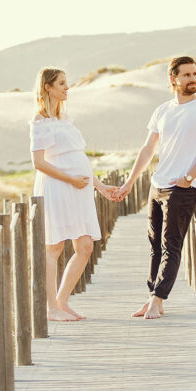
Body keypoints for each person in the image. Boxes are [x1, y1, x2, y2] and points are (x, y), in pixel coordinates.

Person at [113, 56, 196, 319]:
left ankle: (158, 298)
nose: (192, 78)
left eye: (195, 74)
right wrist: (130, 182)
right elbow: (148, 149)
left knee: (171, 245)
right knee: (154, 245)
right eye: (186, 75)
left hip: (183, 188)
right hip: (158, 185)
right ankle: (153, 298)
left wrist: (189, 177)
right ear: (173, 79)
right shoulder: (162, 110)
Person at [30, 67, 117, 322]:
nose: (67, 88)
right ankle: (51, 309)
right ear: (48, 87)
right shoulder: (40, 120)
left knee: (85, 245)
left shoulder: (64, 119)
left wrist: (99, 186)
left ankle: (62, 301)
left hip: (79, 188)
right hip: (58, 187)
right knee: (54, 247)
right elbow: (39, 163)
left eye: (67, 83)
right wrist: (70, 180)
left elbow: (78, 159)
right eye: (61, 83)